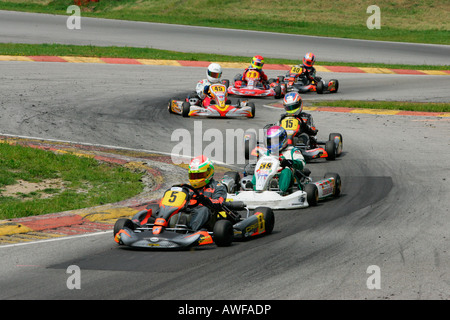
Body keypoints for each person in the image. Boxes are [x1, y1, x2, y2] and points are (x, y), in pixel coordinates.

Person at [255, 125, 307, 194]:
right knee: (258, 171)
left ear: (283, 139)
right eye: (271, 141)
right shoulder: (266, 153)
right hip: (268, 175)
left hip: (285, 176)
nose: (273, 143)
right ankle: (254, 190)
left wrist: (290, 162)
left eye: (275, 140)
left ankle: (281, 192)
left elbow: (302, 164)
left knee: (286, 170)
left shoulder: (292, 151)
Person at [187, 155, 227, 231]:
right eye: (193, 175)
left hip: (209, 217)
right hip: (189, 212)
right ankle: (160, 226)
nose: (196, 178)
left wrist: (205, 200)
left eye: (199, 175)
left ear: (209, 172)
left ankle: (191, 231)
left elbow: (219, 203)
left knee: (204, 209)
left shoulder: (218, 187)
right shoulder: (187, 187)